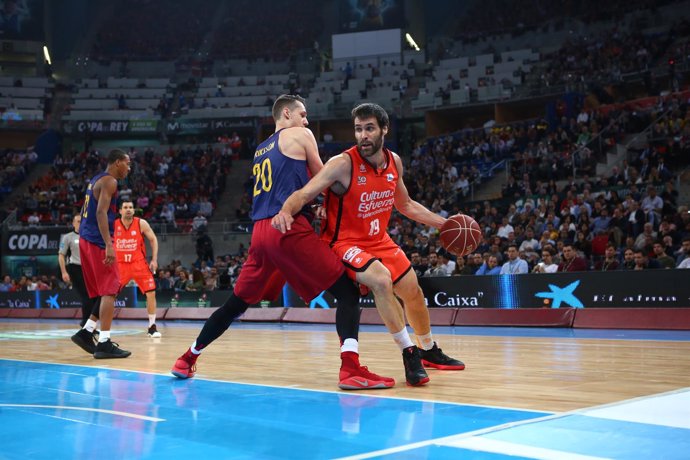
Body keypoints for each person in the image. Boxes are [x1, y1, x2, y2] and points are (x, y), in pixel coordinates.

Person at [172, 95, 392, 390]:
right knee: (348, 293)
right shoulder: (301, 134)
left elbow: (283, 187)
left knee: (235, 305)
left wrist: (310, 206)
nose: (306, 121)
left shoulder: (261, 149)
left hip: (260, 233)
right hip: (286, 227)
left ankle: (187, 358)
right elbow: (324, 177)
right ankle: (350, 369)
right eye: (303, 114)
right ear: (286, 113)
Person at [273, 102, 465, 387]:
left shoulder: (394, 162)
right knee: (381, 280)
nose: (363, 135)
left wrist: (445, 224)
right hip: (343, 242)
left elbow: (407, 205)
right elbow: (305, 192)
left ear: (384, 130)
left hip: (379, 241)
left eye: (369, 128)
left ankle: (428, 349)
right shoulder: (342, 163)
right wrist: (286, 210)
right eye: (358, 129)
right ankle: (408, 352)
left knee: (412, 289)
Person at [70, 149, 131, 359]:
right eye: (127, 164)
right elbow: (100, 212)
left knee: (110, 289)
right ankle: (104, 342)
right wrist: (109, 244)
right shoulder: (110, 181)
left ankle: (87, 332)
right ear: (116, 162)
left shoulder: (95, 179)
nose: (129, 168)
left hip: (87, 239)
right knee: (110, 289)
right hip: (97, 240)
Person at [114, 200, 162, 337]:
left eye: (130, 207)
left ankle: (152, 326)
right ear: (120, 211)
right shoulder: (114, 224)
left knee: (151, 293)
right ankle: (97, 326)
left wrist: (154, 259)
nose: (128, 209)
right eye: (125, 207)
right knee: (109, 295)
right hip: (120, 265)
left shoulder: (141, 223)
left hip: (138, 264)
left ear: (134, 210)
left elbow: (153, 239)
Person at [58, 214, 100, 328]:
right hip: (75, 268)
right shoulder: (68, 237)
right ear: (73, 223)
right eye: (78, 221)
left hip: (90, 269)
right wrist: (64, 272)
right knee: (86, 296)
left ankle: (89, 323)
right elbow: (61, 255)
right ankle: (86, 324)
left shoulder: (90, 236)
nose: (80, 223)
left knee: (96, 297)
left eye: (82, 221)